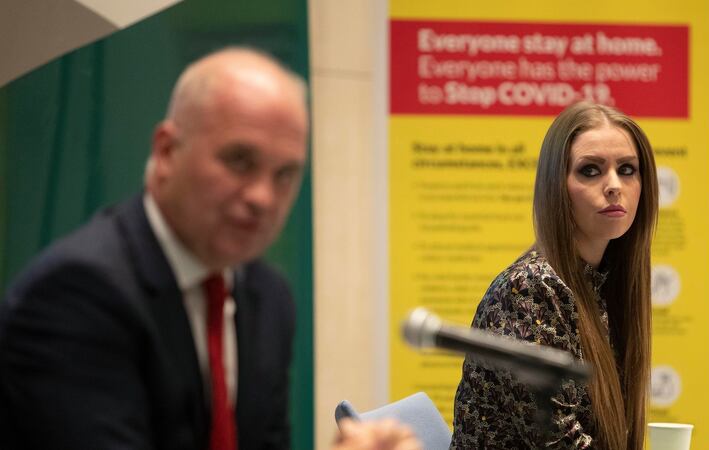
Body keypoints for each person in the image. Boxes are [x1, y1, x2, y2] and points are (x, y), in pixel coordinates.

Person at [0, 47, 419, 450]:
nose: (263, 197)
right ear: (167, 151)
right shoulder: (78, 293)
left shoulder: (267, 296)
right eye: (240, 161)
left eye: (285, 175)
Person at [450, 101, 658, 449]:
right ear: (555, 186)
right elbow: (558, 442)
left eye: (627, 169)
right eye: (590, 170)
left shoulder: (605, 282)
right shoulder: (529, 289)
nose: (613, 185)